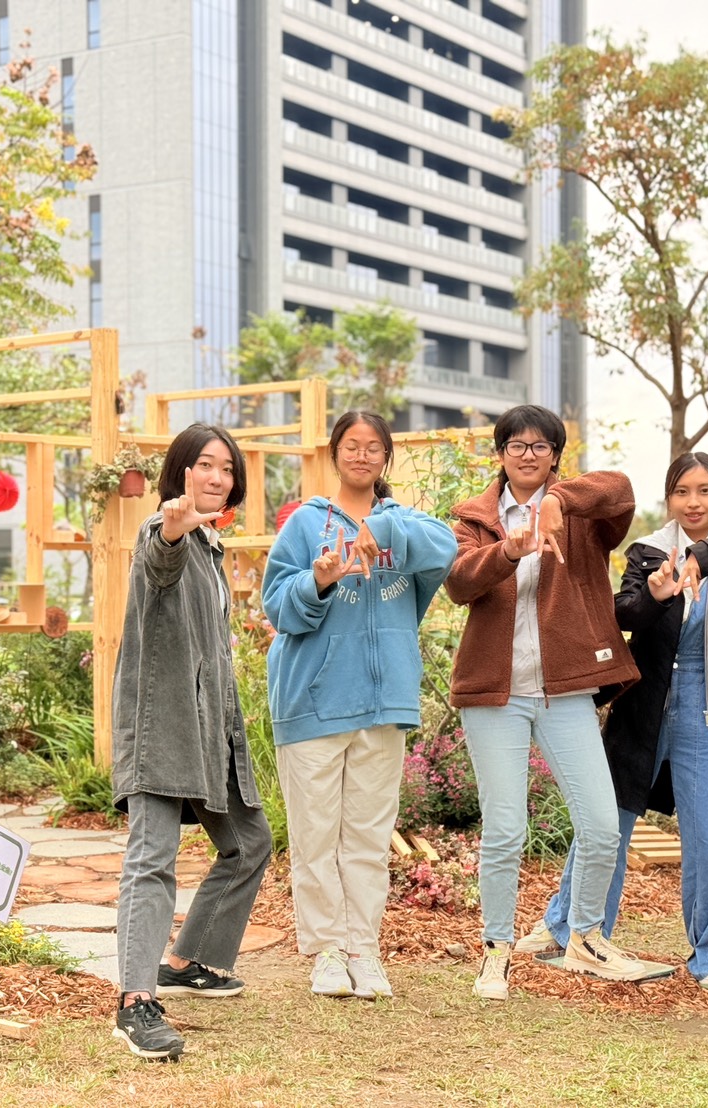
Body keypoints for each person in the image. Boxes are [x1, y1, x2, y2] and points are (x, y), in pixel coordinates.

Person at [527, 453, 708, 994]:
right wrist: (659, 593)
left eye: (705, 491)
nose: (693, 502)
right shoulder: (647, 551)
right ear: (669, 499)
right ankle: (572, 930)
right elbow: (624, 614)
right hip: (646, 706)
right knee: (606, 823)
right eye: (682, 491)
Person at [444, 404, 646, 995]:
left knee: (602, 825)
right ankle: (496, 949)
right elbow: (458, 582)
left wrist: (558, 503)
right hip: (495, 694)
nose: (528, 453)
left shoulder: (583, 516)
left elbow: (621, 490)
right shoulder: (475, 518)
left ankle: (584, 937)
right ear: (500, 453)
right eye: (516, 444)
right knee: (505, 829)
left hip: (565, 691)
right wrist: (509, 550)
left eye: (539, 445)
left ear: (555, 455)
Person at [262, 411, 456, 1000]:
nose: (363, 455)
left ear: (385, 458)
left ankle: (363, 950)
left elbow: (445, 550)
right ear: (334, 453)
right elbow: (277, 607)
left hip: (384, 702)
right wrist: (317, 581)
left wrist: (385, 534)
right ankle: (325, 953)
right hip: (313, 702)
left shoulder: (406, 523)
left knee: (368, 840)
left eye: (374, 447)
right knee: (316, 837)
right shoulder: (304, 524)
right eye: (352, 445)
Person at [111, 423, 273, 1061]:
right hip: (162, 727)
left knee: (249, 844)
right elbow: (160, 554)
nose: (216, 477)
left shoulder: (212, 544)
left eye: (227, 469)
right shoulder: (166, 532)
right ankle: (134, 1002)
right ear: (179, 472)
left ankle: (188, 959)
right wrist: (173, 526)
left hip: (211, 730)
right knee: (152, 859)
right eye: (204, 465)